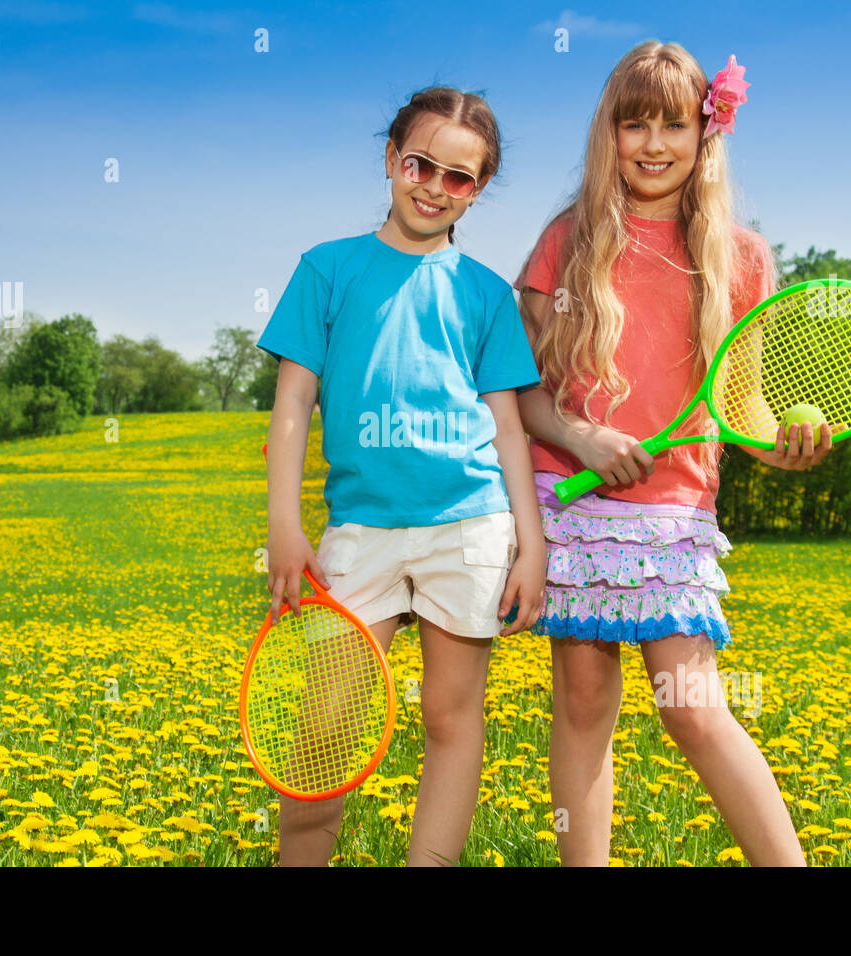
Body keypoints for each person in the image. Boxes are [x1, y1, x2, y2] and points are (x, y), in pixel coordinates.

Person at [515, 41, 835, 866]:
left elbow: (742, 405)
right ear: (609, 134)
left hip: (674, 510)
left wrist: (778, 449)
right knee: (583, 703)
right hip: (572, 498)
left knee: (690, 706)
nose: (654, 143)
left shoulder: (743, 256)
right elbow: (518, 389)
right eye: (634, 123)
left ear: (707, 132)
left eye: (673, 124)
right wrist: (580, 434)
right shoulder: (567, 239)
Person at [258, 86, 547, 866]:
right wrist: (284, 527)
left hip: (470, 525)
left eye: (460, 178)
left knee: (453, 721)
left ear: (477, 191)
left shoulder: (486, 293)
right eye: (421, 164)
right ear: (391, 160)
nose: (435, 187)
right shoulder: (327, 270)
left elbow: (509, 426)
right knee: (324, 728)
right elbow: (292, 410)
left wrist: (532, 544)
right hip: (360, 531)